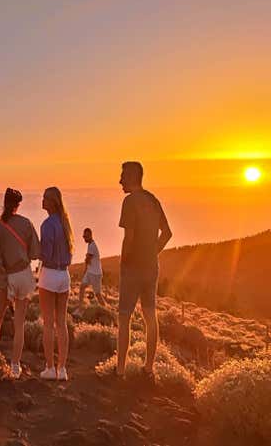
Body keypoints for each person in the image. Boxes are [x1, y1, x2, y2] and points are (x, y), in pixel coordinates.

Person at [117, 162, 172, 379]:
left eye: (122, 176)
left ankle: (120, 371)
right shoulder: (152, 200)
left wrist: (124, 263)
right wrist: (152, 253)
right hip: (151, 267)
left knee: (124, 318)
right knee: (150, 315)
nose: (120, 180)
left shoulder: (130, 202)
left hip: (133, 268)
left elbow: (128, 238)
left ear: (131, 176)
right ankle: (148, 368)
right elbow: (167, 233)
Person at [0, 188, 40, 379]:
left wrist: (2, 282)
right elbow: (35, 253)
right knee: (19, 324)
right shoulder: (26, 224)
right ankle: (15, 366)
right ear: (18, 204)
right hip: (24, 276)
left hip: (7, 278)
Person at [37, 187, 73, 381]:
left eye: (44, 198)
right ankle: (63, 369)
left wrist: (34, 251)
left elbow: (46, 255)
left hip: (49, 275)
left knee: (48, 324)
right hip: (64, 276)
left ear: (51, 201)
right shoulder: (65, 223)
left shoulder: (47, 224)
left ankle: (50, 368)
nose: (41, 200)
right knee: (62, 323)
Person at [73, 228, 106, 317]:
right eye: (83, 236)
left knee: (98, 294)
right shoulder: (90, 245)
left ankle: (106, 310)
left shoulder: (92, 246)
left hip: (95, 273)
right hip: (90, 272)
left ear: (90, 235)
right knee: (82, 287)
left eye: (86, 236)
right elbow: (87, 260)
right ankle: (80, 308)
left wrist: (84, 269)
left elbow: (87, 260)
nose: (84, 238)